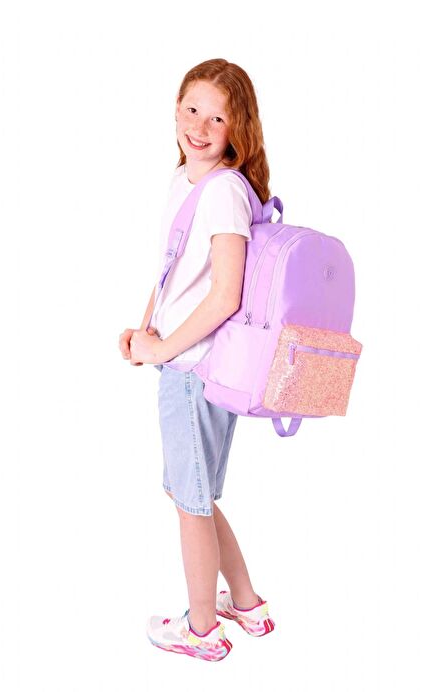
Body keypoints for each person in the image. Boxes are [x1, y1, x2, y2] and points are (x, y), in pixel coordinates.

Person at [118, 59, 275, 662]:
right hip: (181, 358)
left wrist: (165, 348)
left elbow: (225, 295)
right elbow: (175, 267)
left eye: (217, 118)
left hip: (195, 369)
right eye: (192, 110)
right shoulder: (186, 178)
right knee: (198, 495)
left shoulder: (224, 192)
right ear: (175, 108)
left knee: (189, 502)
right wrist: (146, 327)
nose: (200, 127)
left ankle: (202, 630)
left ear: (239, 128)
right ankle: (247, 603)